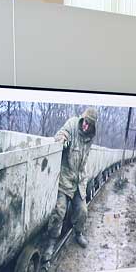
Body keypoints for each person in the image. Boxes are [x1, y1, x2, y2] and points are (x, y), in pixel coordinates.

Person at [44, 107, 99, 257]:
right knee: (59, 210)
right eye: (85, 122)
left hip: (79, 180)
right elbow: (61, 134)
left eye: (89, 125)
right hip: (65, 178)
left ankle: (78, 233)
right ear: (82, 119)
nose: (86, 126)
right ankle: (51, 242)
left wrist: (84, 180)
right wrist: (63, 139)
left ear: (93, 127)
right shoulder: (72, 124)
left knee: (82, 210)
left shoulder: (89, 138)